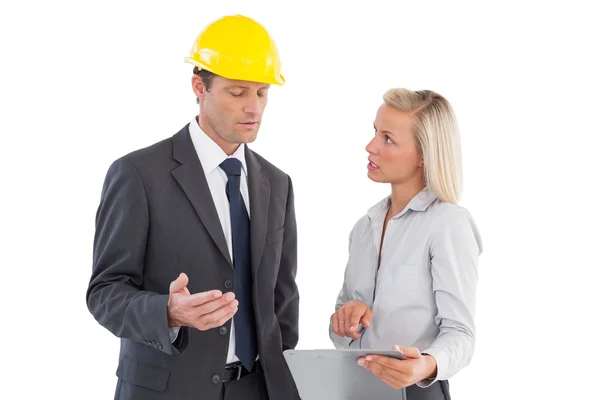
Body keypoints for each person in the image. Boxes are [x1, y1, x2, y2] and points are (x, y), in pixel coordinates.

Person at [86, 14, 301, 400]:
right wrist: (166, 312)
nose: (253, 107)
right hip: (170, 389)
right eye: (237, 93)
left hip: (260, 389)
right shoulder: (138, 174)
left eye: (262, 92)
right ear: (199, 87)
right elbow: (105, 292)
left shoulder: (277, 183)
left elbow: (282, 297)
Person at [329, 88, 483, 400]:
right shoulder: (363, 228)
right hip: (356, 390)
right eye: (375, 131)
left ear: (424, 154)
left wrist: (426, 365)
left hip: (416, 393)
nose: (370, 146)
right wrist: (346, 320)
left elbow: (461, 334)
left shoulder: (447, 224)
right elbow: (339, 328)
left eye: (388, 138)